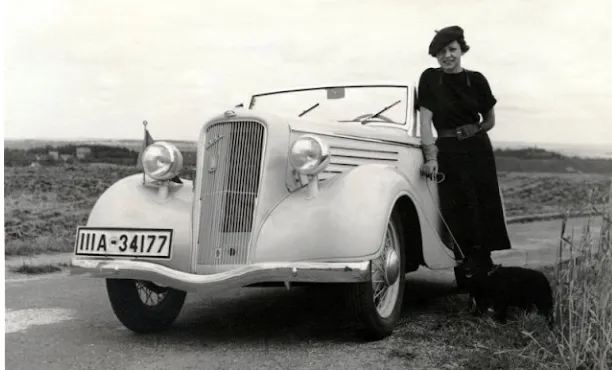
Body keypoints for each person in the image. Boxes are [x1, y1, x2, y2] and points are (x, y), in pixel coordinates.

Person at [417, 25, 512, 288]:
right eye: (440, 52)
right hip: (447, 152)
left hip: (479, 150)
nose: (447, 56)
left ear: (462, 50)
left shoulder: (477, 79)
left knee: (483, 210)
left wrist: (475, 128)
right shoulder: (429, 79)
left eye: (452, 50)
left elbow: (489, 120)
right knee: (457, 212)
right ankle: (466, 280)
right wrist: (431, 157)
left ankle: (485, 280)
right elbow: (426, 124)